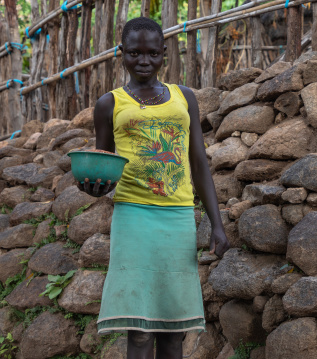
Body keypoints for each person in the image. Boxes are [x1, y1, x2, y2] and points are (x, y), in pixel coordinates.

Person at [78, 17, 230, 359]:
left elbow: (199, 162)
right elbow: (103, 164)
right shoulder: (109, 104)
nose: (143, 60)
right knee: (141, 331)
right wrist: (95, 187)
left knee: (174, 331)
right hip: (133, 217)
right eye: (134, 53)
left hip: (177, 218)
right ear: (121, 54)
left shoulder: (184, 97)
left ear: (164, 54)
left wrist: (216, 224)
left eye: (151, 53)